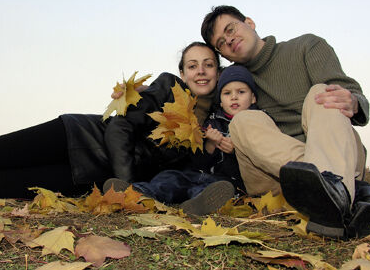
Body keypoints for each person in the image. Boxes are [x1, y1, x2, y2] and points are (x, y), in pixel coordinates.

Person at [0, 42, 222, 200]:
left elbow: (183, 175)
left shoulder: (213, 123)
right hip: (77, 136)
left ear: (218, 71)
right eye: (193, 64)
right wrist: (125, 184)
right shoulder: (167, 88)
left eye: (208, 64)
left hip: (85, 177)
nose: (201, 71)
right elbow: (119, 125)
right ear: (182, 71)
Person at [200, 5, 370, 238]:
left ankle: (331, 192)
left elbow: (349, 92)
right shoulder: (235, 82)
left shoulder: (306, 47)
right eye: (221, 43)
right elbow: (199, 94)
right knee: (242, 121)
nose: (229, 40)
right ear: (223, 55)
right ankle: (345, 194)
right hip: (273, 178)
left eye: (231, 29)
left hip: (336, 151)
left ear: (250, 23)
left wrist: (353, 102)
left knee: (322, 93)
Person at [104, 65, 258, 216]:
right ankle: (137, 193)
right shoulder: (212, 122)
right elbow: (199, 160)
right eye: (227, 93)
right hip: (197, 174)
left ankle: (199, 203)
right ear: (221, 100)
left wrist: (235, 151)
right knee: (169, 178)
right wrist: (210, 145)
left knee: (208, 189)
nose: (234, 97)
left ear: (253, 98)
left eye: (241, 92)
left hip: (225, 179)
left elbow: (258, 159)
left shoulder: (257, 122)